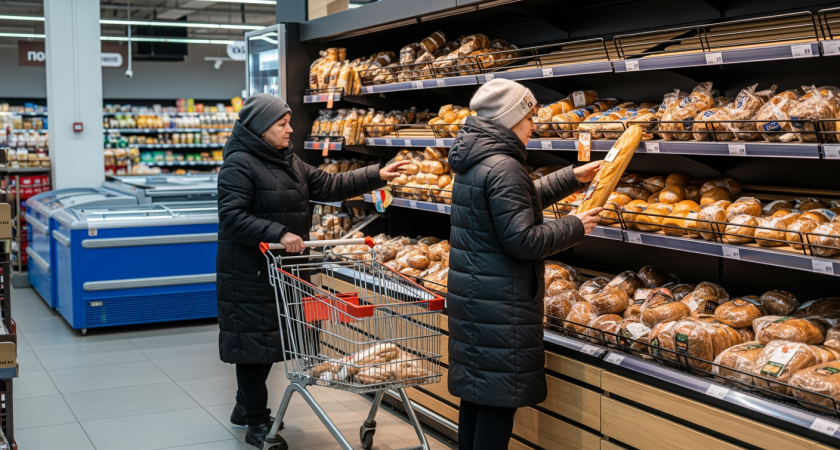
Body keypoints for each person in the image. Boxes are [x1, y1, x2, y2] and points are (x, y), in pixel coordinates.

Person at [216, 93, 408, 448]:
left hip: (282, 269)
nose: (291, 129)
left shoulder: (287, 160)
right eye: (282, 124)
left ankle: (245, 406)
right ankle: (257, 424)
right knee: (254, 347)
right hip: (250, 272)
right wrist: (279, 233)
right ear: (261, 129)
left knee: (273, 341)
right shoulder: (239, 164)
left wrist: (376, 174)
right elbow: (232, 218)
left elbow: (329, 185)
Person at [446, 79, 604, 450]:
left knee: (477, 397)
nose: (534, 125)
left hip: (475, 299)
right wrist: (576, 226)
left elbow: (511, 203)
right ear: (510, 118)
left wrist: (570, 177)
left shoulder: (477, 159)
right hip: (501, 304)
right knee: (499, 404)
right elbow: (523, 240)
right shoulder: (505, 165)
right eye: (530, 116)